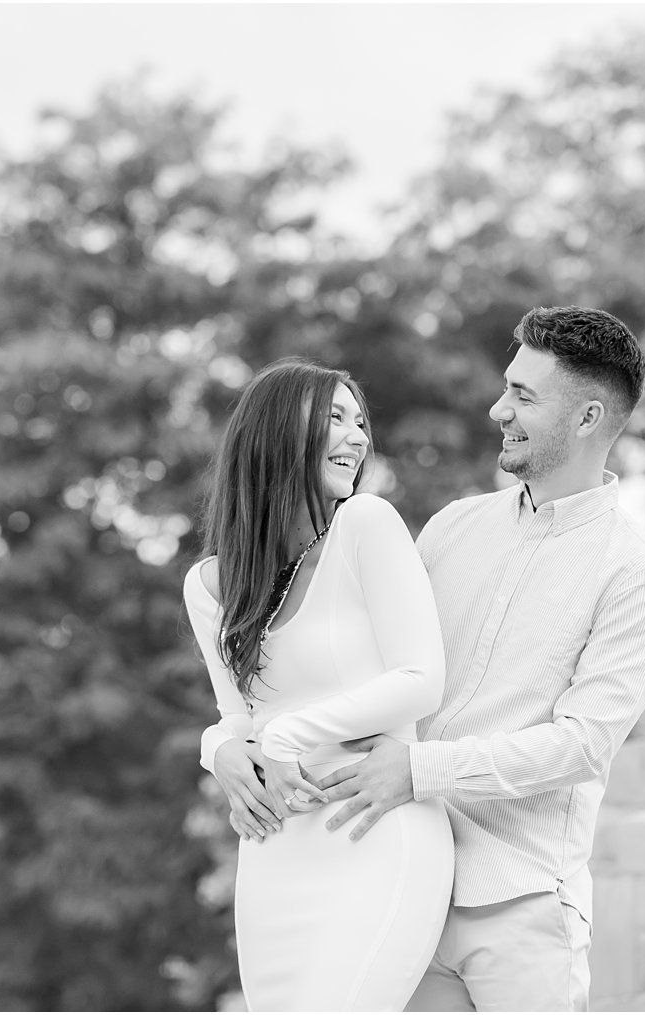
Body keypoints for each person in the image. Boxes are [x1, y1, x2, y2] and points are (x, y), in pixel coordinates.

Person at [315, 306, 645, 1011]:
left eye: (523, 395)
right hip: (405, 885)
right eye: (507, 386)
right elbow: (368, 669)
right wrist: (234, 742)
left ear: (587, 418)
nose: (497, 407)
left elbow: (582, 744)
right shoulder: (452, 527)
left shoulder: (636, 572)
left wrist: (421, 770)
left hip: (522, 909)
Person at [182, 359, 454, 1012]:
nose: (356, 436)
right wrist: (216, 749)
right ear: (276, 430)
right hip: (275, 851)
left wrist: (287, 733)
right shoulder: (210, 585)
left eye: (360, 421)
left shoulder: (368, 525)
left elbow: (422, 680)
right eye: (334, 417)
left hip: (376, 830)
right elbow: (238, 717)